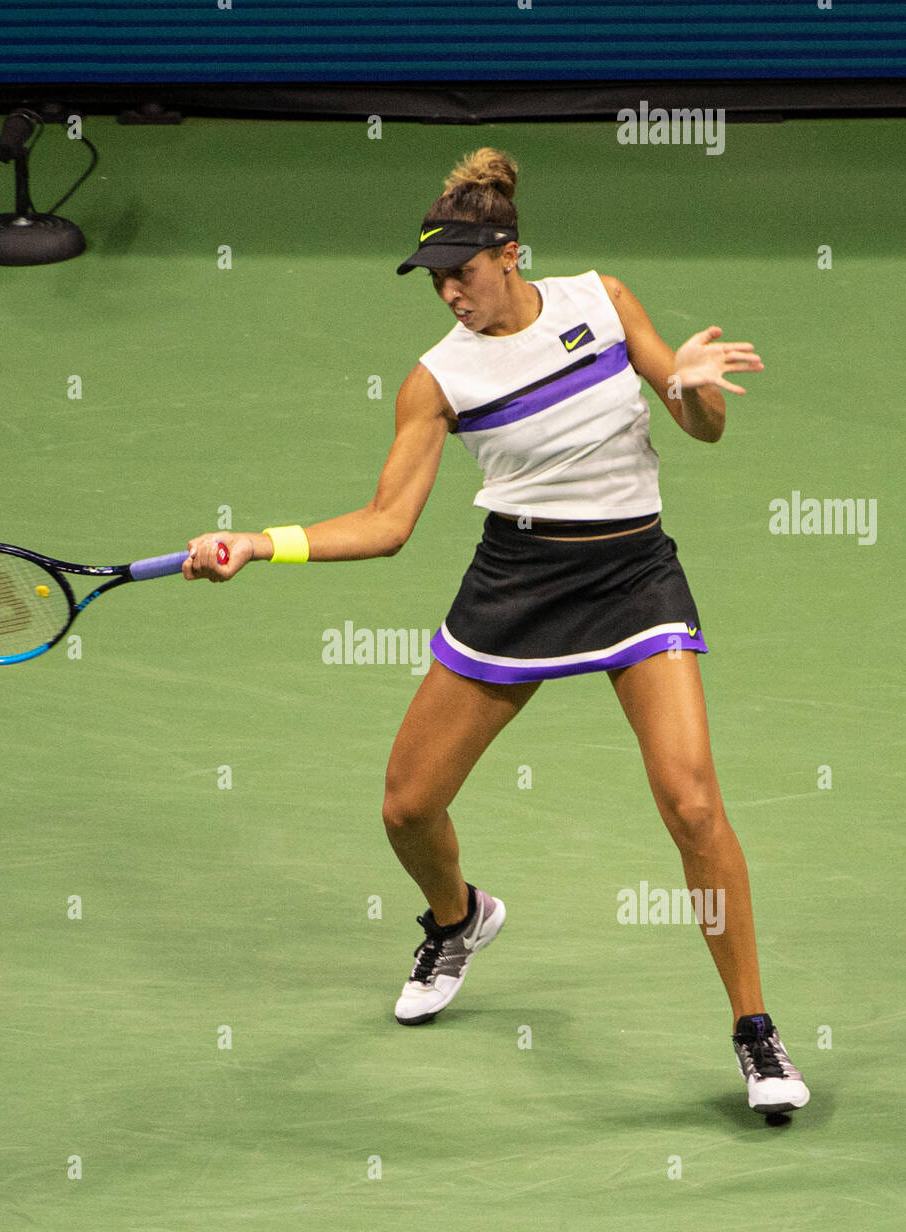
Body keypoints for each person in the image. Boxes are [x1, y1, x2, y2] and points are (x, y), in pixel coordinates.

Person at [183, 148, 809, 1118]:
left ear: (509, 254)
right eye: (434, 280)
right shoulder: (436, 381)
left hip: (633, 574)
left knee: (691, 807)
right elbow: (387, 524)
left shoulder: (600, 301)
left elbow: (703, 432)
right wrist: (260, 542)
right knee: (405, 807)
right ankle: (458, 917)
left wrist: (686, 386)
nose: (447, 294)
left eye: (461, 274)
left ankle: (755, 1033)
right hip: (515, 586)